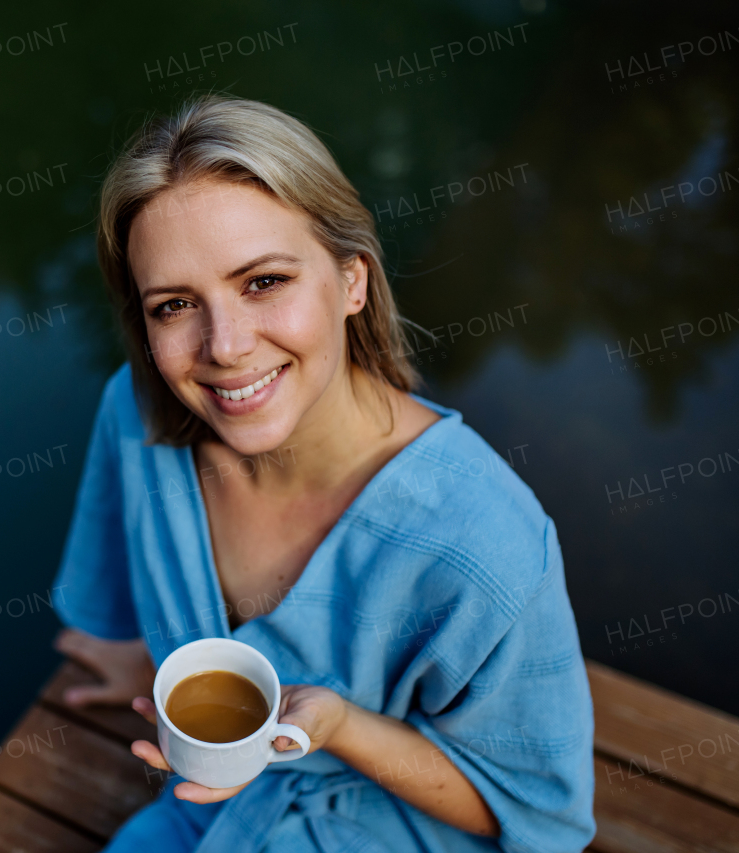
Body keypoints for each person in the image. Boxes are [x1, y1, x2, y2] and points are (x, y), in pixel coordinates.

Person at [51, 94, 595, 853]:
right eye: (175, 304)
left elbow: (542, 817)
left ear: (351, 281)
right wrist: (137, 648)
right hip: (203, 817)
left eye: (263, 281)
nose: (227, 345)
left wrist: (338, 724)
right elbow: (114, 576)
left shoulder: (487, 543)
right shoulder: (134, 414)